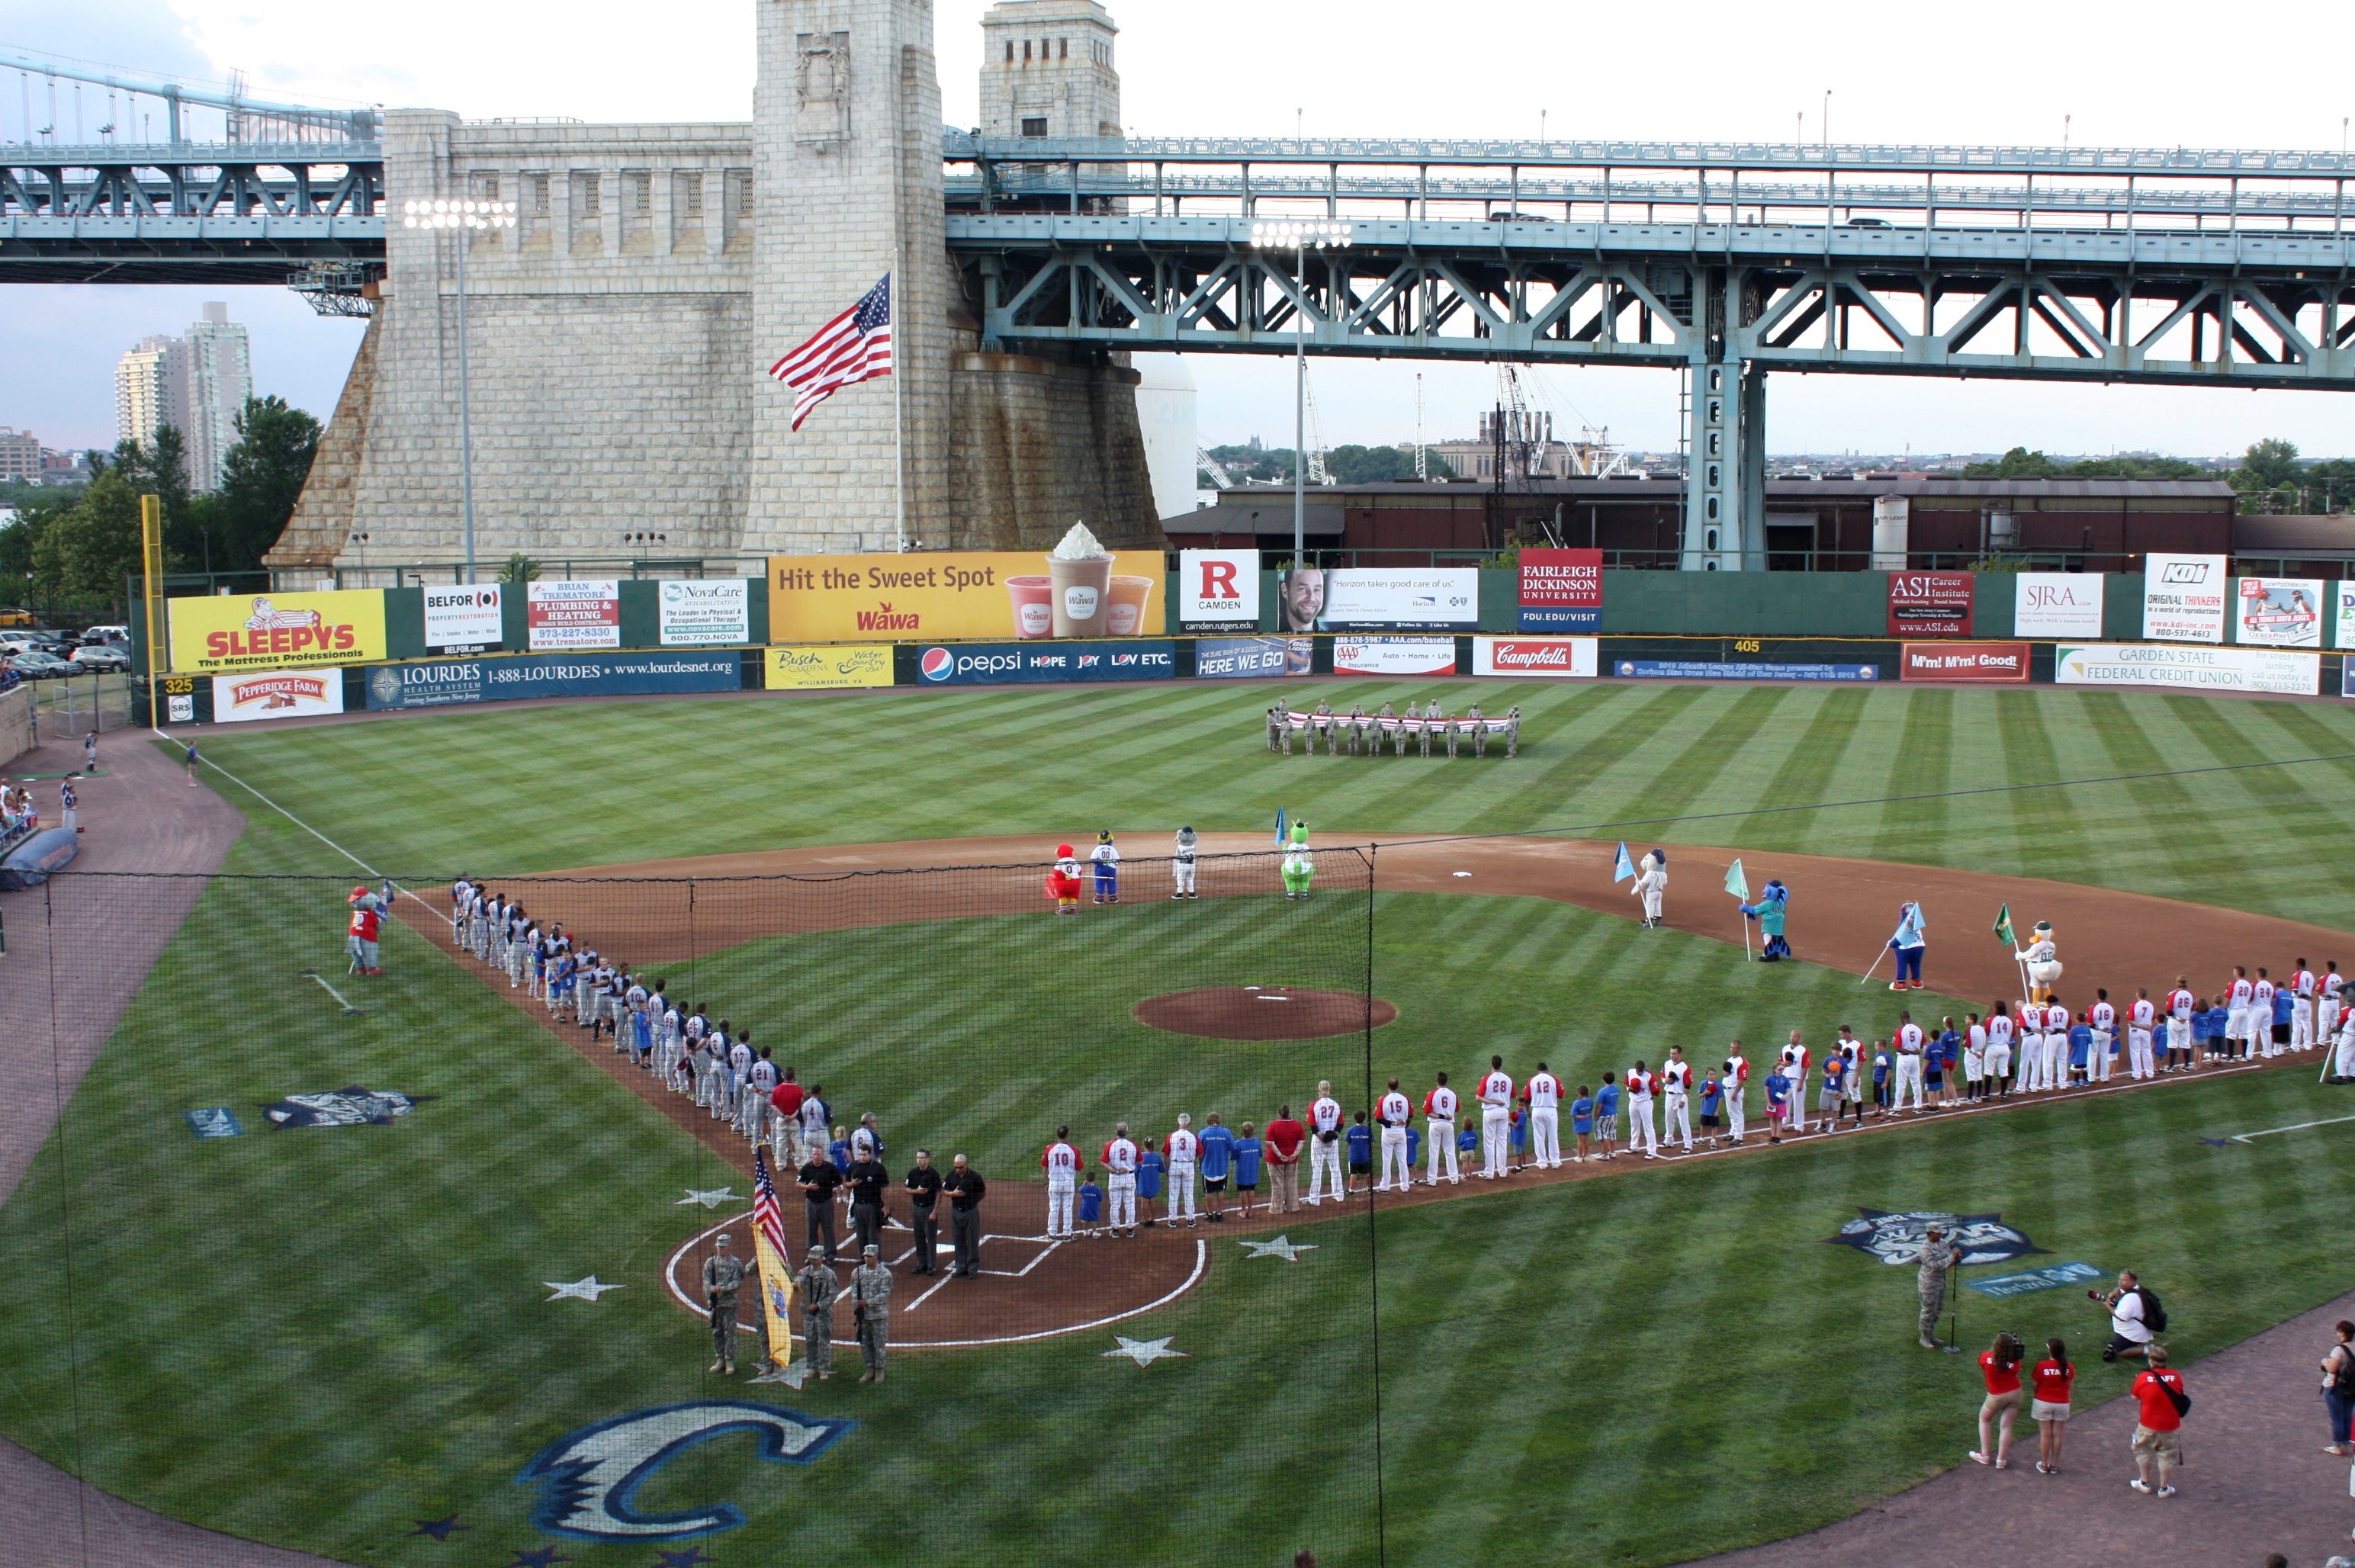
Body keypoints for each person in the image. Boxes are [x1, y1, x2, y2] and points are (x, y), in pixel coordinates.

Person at [2128, 1346, 2188, 1497]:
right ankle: (2164, 1488)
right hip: (2170, 1425)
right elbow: (2180, 1392)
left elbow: (2134, 1397)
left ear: (2152, 1362)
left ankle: (2144, 1483)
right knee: (2167, 1456)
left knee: (2143, 1452)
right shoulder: (2176, 1375)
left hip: (2147, 1424)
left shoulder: (2143, 1377)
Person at [1971, 1332, 2026, 1469]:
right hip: (2015, 1394)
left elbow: (1984, 1363)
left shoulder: (1985, 1357)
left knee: (1984, 1419)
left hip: (1996, 1397)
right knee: (2006, 1426)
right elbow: (2015, 1368)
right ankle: (2001, 1461)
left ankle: (1984, 1455)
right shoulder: (2015, 1362)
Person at [702, 1232, 748, 1376]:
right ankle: (720, 1359)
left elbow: (737, 1283)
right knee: (717, 1333)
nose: (720, 1249)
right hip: (716, 1305)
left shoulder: (735, 1263)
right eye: (719, 1247)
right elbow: (706, 1281)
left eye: (723, 1247)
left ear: (729, 1246)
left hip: (729, 1305)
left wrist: (721, 1289)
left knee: (730, 1333)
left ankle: (729, 1361)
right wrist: (710, 1295)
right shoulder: (711, 1262)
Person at [2031, 1337, 2076, 1474]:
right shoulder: (2069, 1367)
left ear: (2050, 1350)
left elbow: (2035, 1385)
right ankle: (2054, 1465)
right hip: (2062, 1403)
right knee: (2057, 1435)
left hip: (2043, 1402)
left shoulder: (2042, 1365)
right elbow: (2069, 1386)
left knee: (2045, 1434)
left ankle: (2044, 1464)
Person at [850, 1244, 892, 1383]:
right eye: (866, 1256)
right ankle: (870, 1368)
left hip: (878, 1316)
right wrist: (857, 1303)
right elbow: (854, 1290)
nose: (867, 1259)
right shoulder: (858, 1272)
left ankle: (880, 1370)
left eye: (870, 1256)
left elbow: (884, 1295)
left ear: (877, 1256)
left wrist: (867, 1302)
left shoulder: (885, 1274)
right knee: (865, 1343)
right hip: (863, 1316)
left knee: (878, 1343)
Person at [2096, 1271, 2159, 1363]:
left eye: (2124, 1280)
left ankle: (2148, 1349)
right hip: (2133, 1327)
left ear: (2133, 1282)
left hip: (2134, 1332)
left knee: (2120, 1352)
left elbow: (2121, 1317)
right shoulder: (2135, 1289)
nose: (2120, 1282)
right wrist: (2114, 1293)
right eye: (2120, 1279)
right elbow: (2119, 1289)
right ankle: (2127, 1342)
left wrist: (2108, 1306)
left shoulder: (2131, 1299)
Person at [795, 1245, 837, 1380]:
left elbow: (833, 1295)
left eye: (815, 1258)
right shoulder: (805, 1272)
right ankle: (812, 1367)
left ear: (821, 1258)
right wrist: (796, 1284)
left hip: (823, 1314)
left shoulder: (829, 1274)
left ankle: (823, 1368)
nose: (813, 1261)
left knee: (824, 1341)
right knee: (810, 1340)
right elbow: (799, 1280)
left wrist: (818, 1305)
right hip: (808, 1313)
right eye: (811, 1259)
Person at [944, 1154, 985, 1277]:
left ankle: (972, 1269)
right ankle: (960, 1267)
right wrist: (954, 1194)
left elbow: (982, 1193)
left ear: (966, 1164)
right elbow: (945, 1191)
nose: (958, 1169)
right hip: (956, 1211)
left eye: (960, 1167)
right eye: (956, 1167)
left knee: (972, 1240)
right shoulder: (951, 1175)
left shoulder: (975, 1177)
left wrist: (972, 1201)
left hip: (970, 1211)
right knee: (958, 1239)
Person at [1917, 1222, 1957, 1350]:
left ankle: (1931, 1334)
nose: (1940, 1234)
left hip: (1941, 1280)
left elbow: (1948, 1258)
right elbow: (1935, 1265)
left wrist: (1955, 1258)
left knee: (1938, 1309)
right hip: (1929, 1282)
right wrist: (1952, 1259)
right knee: (1929, 1310)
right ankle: (1924, 1337)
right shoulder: (1925, 1249)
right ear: (1930, 1233)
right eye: (1937, 1232)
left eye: (1940, 1232)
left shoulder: (1943, 1243)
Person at [798, 1146, 841, 1261]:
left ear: (823, 1155)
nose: (816, 1157)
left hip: (826, 1202)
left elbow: (839, 1181)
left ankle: (830, 1254)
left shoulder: (830, 1168)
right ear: (812, 1155)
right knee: (811, 1229)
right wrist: (808, 1187)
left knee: (828, 1228)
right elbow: (798, 1183)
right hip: (811, 1203)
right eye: (814, 1154)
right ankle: (812, 1254)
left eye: (818, 1154)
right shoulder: (806, 1168)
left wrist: (828, 1187)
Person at [845, 1144, 889, 1256]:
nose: (861, 1157)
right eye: (860, 1154)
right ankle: (862, 1258)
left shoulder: (878, 1168)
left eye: (864, 1155)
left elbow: (885, 1187)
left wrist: (885, 1206)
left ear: (870, 1155)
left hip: (873, 1205)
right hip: (858, 1205)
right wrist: (852, 1184)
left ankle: (876, 1258)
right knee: (861, 1233)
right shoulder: (853, 1166)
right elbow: (846, 1184)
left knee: (873, 1233)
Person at [1306, 1083, 1345, 1204]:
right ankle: (1339, 1195)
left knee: (1317, 1169)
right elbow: (1340, 1125)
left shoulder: (1314, 1105)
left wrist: (1323, 1138)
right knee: (1335, 1168)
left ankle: (1314, 1199)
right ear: (1329, 1090)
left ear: (1319, 1090)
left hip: (1318, 1141)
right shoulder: (1336, 1105)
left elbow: (1313, 1127)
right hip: (1333, 1143)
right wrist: (1332, 1138)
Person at [904, 1149, 942, 1274]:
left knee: (931, 1238)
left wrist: (935, 1211)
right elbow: (907, 1190)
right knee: (919, 1236)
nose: (919, 1160)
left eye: (922, 1158)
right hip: (916, 1208)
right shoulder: (913, 1173)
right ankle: (921, 1264)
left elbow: (939, 1193)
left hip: (929, 1208)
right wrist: (917, 1192)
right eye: (918, 1157)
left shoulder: (933, 1174)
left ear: (928, 1159)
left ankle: (931, 1266)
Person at [1476, 1056, 1515, 1177]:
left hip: (1490, 1112)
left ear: (1492, 1064)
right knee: (1502, 1142)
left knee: (1489, 1142)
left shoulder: (1487, 1078)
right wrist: (1501, 1099)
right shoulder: (1508, 1079)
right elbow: (1513, 1095)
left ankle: (1489, 1172)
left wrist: (1494, 1101)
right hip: (1504, 1112)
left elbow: (1478, 1097)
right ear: (1501, 1064)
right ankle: (1503, 1171)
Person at [1042, 1126, 1082, 1241]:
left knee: (1054, 1208)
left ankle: (1051, 1233)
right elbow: (1080, 1168)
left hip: (1054, 1182)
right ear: (1067, 1135)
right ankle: (1067, 1234)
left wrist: (1046, 1183)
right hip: (1068, 1183)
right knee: (1068, 1208)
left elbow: (1045, 1168)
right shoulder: (1074, 1150)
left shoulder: (1049, 1149)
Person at [1263, 1104, 1305, 1213]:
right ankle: (1293, 1207)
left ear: (1279, 1113)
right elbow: (1301, 1143)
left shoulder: (1273, 1126)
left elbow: (1271, 1144)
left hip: (1275, 1160)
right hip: (1292, 1159)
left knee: (1277, 1183)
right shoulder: (1297, 1125)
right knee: (1292, 1182)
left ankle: (1277, 1209)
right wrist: (1294, 1154)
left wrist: (1280, 1155)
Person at [2321, 1319, 2355, 1456]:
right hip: (2352, 1388)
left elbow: (2332, 1368)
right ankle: (2346, 1444)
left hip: (2335, 1387)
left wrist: (2325, 1362)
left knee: (2336, 1418)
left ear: (2342, 1333)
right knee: (2347, 1416)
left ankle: (2338, 1446)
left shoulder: (2339, 1349)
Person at [1375, 1079, 1413, 1190]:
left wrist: (1393, 1123)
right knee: (1402, 1159)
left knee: (1387, 1160)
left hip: (1388, 1132)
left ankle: (1385, 1186)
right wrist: (1403, 1125)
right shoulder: (1405, 1098)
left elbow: (1379, 1119)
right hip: (1401, 1131)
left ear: (1388, 1086)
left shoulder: (1383, 1099)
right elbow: (1411, 1115)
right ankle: (1405, 1186)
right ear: (1398, 1086)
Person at [1101, 1123, 1139, 1236]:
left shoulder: (1110, 1145)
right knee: (1130, 1204)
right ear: (1127, 1132)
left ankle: (1115, 1230)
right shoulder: (1134, 1145)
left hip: (1115, 1177)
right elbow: (1140, 1161)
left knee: (1115, 1205)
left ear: (1116, 1132)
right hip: (1129, 1177)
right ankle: (1130, 1229)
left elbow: (1103, 1162)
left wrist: (1116, 1170)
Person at [1524, 1061, 1563, 1169]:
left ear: (1538, 1070)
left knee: (1539, 1137)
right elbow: (1561, 1094)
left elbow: (1527, 1098)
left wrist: (1528, 1110)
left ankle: (1542, 1162)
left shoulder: (1532, 1080)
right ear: (1547, 1070)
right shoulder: (1554, 1079)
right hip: (1551, 1110)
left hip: (1537, 1110)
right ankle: (1555, 1161)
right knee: (1553, 1136)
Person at [1424, 1072, 1461, 1184]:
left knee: (1434, 1151)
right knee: (1450, 1151)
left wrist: (1440, 1115)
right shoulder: (1453, 1094)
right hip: (1448, 1124)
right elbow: (1457, 1109)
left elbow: (1427, 1111)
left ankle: (1432, 1180)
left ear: (1437, 1081)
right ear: (1446, 1080)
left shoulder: (1432, 1094)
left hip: (1435, 1124)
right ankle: (1454, 1178)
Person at [1161, 1114, 1195, 1227]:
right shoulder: (1193, 1137)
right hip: (1189, 1166)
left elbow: (1166, 1155)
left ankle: (1172, 1220)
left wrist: (1167, 1168)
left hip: (1174, 1165)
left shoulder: (1171, 1136)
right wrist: (1200, 1164)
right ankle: (1190, 1220)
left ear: (1178, 1123)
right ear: (1189, 1124)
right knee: (1189, 1194)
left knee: (1174, 1194)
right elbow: (1200, 1154)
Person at [1200, 1111, 1234, 1220]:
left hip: (1208, 1168)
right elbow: (1232, 1147)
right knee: (1220, 1190)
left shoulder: (1203, 1133)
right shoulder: (1226, 1132)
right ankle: (1219, 1214)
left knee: (1208, 1191)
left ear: (1208, 1121)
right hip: (1222, 1168)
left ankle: (1209, 1214)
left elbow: (1199, 1150)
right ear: (1218, 1120)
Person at [1888, 900, 1926, 989]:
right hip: (1920, 946)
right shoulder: (1916, 924)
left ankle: (1901, 983)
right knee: (1916, 963)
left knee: (1902, 963)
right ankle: (1917, 982)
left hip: (1905, 949)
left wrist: (1891, 943)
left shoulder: (1905, 925)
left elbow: (1899, 940)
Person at [1624, 1059, 1659, 1158]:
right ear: (1635, 1068)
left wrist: (1648, 1095)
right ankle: (1634, 1146)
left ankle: (1652, 1151)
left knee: (1648, 1126)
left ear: (1644, 1069)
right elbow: (1626, 1083)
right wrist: (1628, 1089)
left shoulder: (1650, 1076)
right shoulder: (1630, 1072)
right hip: (1633, 1102)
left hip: (1645, 1104)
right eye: (1638, 1071)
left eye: (1641, 1071)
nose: (1640, 1073)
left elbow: (1656, 1091)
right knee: (1634, 1125)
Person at [1232, 1120, 1263, 1219]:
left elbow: (1233, 1157)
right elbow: (1260, 1154)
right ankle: (1249, 1212)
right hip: (1253, 1171)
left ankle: (1243, 1211)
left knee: (1243, 1191)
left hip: (1242, 1172)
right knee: (1251, 1190)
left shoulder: (1238, 1143)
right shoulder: (1257, 1141)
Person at [1632, 850, 1667, 929]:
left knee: (1650, 905)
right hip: (1659, 892)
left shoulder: (1650, 873)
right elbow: (1665, 882)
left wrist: (1638, 884)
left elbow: (1644, 884)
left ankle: (1649, 921)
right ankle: (1658, 919)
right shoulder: (1664, 874)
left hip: (1651, 892)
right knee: (1658, 905)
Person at [1137, 1133, 1165, 1227]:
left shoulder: (1141, 1156)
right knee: (1153, 1199)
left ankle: (1145, 1221)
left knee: (1144, 1200)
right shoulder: (1156, 1156)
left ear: (1144, 1145)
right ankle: (1152, 1220)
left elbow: (1136, 1171)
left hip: (1143, 1182)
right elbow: (1162, 1169)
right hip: (1154, 1182)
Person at [1593, 1072, 1621, 1158]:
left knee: (1604, 1135)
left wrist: (1596, 1116)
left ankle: (1605, 1155)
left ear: (1604, 1080)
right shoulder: (1616, 1088)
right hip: (1614, 1114)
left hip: (1604, 1115)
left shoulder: (1602, 1092)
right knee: (1612, 1133)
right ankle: (1612, 1152)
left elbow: (1599, 1106)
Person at [1090, 830, 1120, 905]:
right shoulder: (1112, 849)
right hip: (1111, 869)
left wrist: (1100, 862)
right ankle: (1112, 897)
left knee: (1099, 881)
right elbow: (1117, 860)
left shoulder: (1097, 848)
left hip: (1100, 869)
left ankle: (1100, 897)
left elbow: (1093, 859)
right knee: (1111, 882)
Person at [1345, 1111, 1371, 1193]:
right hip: (1365, 1156)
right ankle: (1370, 1189)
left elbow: (1348, 1143)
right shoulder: (1368, 1130)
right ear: (1364, 1118)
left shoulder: (1351, 1130)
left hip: (1354, 1157)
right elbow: (1372, 1143)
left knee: (1353, 1173)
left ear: (1354, 1118)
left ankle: (1351, 1190)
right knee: (1367, 1173)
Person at [1171, 825, 1200, 900]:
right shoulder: (1193, 846)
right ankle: (1192, 894)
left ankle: (1179, 894)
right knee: (1190, 879)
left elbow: (1178, 857)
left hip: (1182, 865)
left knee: (1180, 879)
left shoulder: (1180, 847)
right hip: (1192, 865)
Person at [1569, 1085, 1595, 1162]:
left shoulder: (1576, 1103)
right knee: (1586, 1139)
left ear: (1579, 1093)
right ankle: (1585, 1156)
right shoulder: (1590, 1100)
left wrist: (1583, 1116)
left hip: (1579, 1123)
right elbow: (1590, 1110)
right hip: (1588, 1122)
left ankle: (1580, 1157)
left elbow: (1574, 1115)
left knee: (1580, 1140)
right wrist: (1586, 1116)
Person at [1077, 1169, 1105, 1239]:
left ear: (1086, 1179)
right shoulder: (1097, 1189)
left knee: (1084, 1219)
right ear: (1095, 1179)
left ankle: (1085, 1232)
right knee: (1094, 1220)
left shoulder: (1084, 1188)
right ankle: (1095, 1232)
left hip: (1085, 1207)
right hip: (1094, 1207)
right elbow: (1100, 1199)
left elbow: (1080, 1189)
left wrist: (1084, 1184)